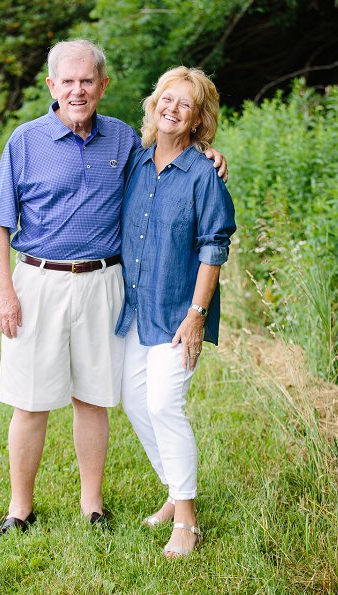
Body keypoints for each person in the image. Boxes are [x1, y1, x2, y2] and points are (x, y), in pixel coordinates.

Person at [0, 40, 227, 537]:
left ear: (103, 86)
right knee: (30, 402)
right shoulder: (25, 141)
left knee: (94, 398)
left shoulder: (122, 141)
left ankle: (92, 506)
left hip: (103, 283)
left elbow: (179, 162)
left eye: (87, 81)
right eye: (67, 81)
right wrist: (4, 291)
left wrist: (207, 153)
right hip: (38, 281)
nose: (77, 90)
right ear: (51, 86)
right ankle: (19, 509)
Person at [115, 67, 236, 557]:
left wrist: (197, 313)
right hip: (135, 310)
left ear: (198, 119)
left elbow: (214, 246)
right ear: (154, 104)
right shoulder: (135, 162)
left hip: (178, 312)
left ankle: (185, 521)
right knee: (134, 401)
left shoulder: (204, 174)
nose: (173, 108)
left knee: (165, 405)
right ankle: (174, 488)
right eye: (167, 98)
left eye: (185, 104)